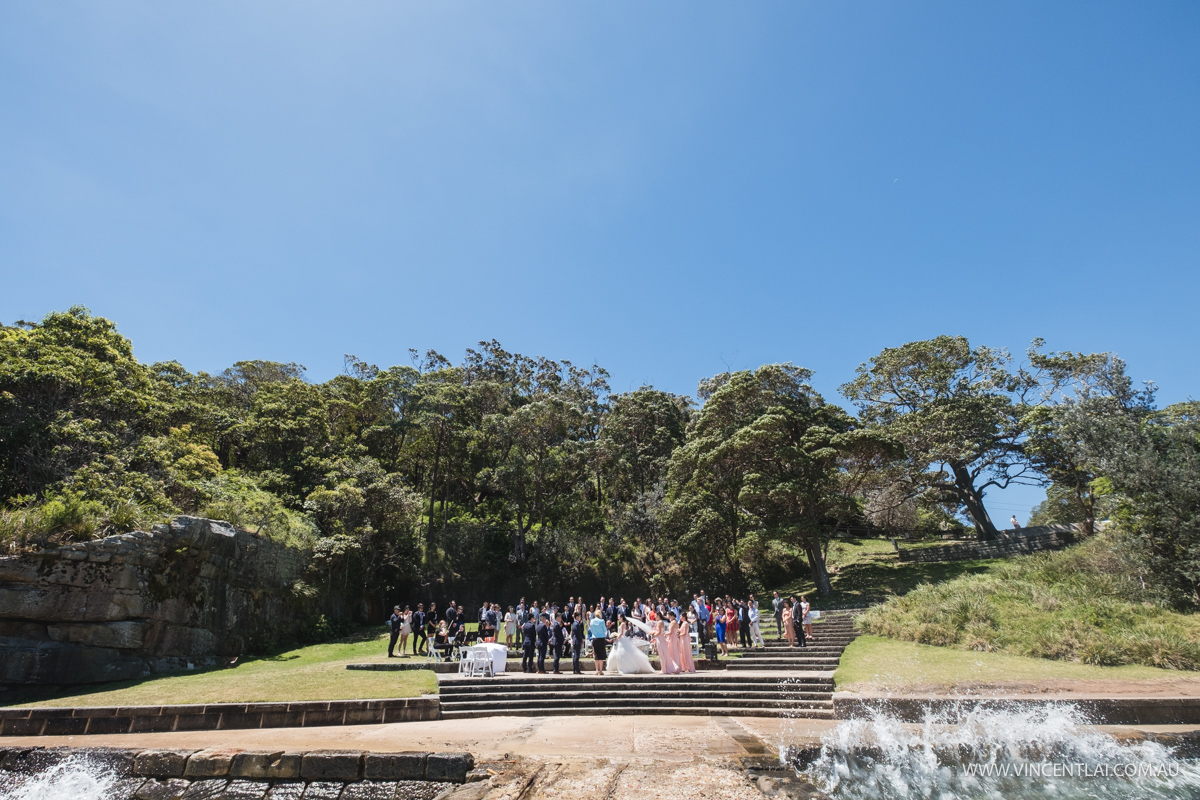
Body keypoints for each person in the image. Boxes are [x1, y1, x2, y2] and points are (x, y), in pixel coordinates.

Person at [589, 610, 609, 675]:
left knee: (596, 654)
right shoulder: (602, 621)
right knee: (601, 654)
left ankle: (596, 670)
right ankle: (600, 670)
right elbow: (605, 630)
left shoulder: (592, 621)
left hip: (594, 638)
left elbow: (591, 630)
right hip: (601, 639)